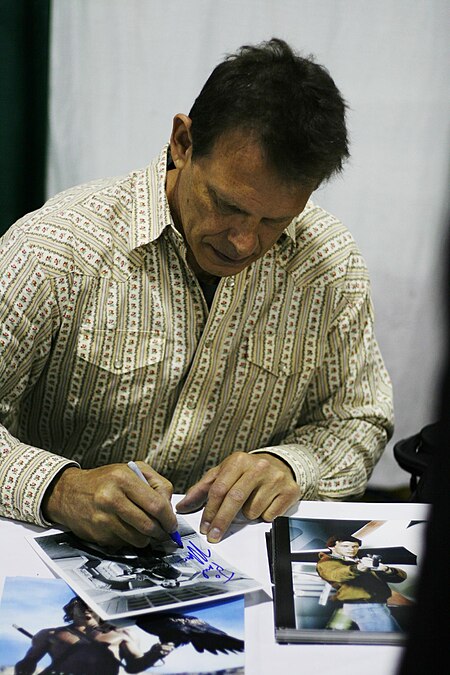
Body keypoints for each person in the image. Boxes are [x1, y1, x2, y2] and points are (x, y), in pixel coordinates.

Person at [0, 38, 393, 548]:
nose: (243, 241)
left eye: (275, 219)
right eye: (227, 205)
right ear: (183, 143)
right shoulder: (57, 250)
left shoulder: (328, 265)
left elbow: (360, 418)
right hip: (51, 564)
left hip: (232, 569)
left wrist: (292, 464)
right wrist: (59, 487)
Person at [14, 596, 173, 675]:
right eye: (82, 603)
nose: (87, 608)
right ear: (71, 609)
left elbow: (133, 666)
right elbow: (28, 662)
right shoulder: (50, 634)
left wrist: (154, 654)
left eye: (92, 604)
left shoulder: (122, 634)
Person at [316, 534, 407, 632]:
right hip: (363, 606)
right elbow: (337, 574)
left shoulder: (359, 561)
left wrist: (386, 569)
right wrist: (358, 568)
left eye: (355, 546)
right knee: (382, 640)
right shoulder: (327, 563)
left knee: (391, 638)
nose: (351, 549)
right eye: (345, 546)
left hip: (376, 605)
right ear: (332, 547)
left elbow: (400, 577)